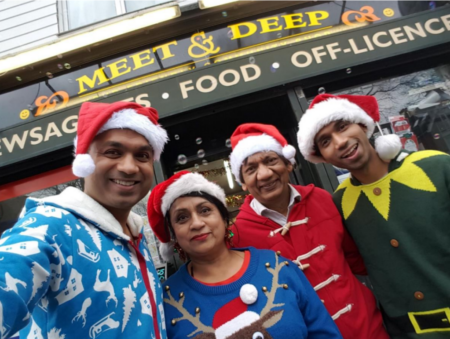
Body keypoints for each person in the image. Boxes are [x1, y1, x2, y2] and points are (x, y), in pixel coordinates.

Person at [0, 101, 169, 339]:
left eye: (142, 155)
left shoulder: (136, 234)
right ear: (85, 160)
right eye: (113, 152)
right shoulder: (49, 225)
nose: (130, 167)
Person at [297, 93, 450, 338]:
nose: (340, 142)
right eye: (325, 141)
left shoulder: (436, 166)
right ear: (321, 157)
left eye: (343, 126)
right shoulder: (339, 202)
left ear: (363, 124)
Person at [228, 123, 388, 339]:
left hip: (368, 329)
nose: (264, 174)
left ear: (288, 164)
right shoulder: (238, 236)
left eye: (271, 160)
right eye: (251, 169)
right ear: (244, 183)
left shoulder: (322, 199)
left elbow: (357, 259)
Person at [147, 171, 342, 339]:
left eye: (205, 210)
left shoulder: (279, 267)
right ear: (174, 235)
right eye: (182, 218)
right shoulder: (166, 301)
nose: (196, 223)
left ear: (224, 219)